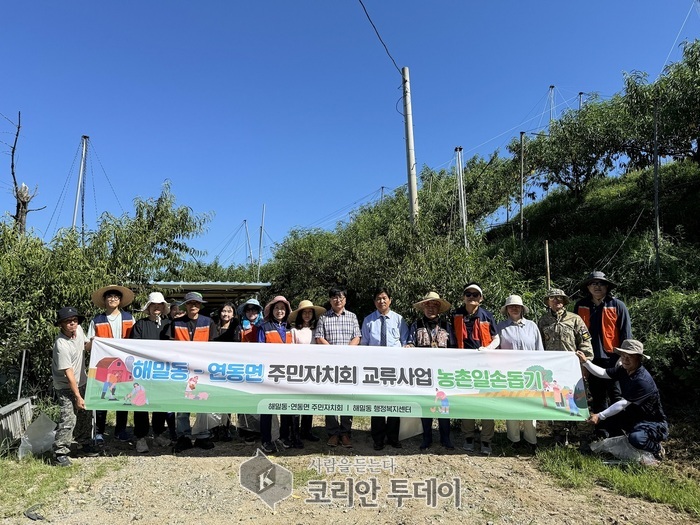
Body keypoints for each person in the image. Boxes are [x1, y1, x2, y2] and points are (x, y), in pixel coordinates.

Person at [576, 340, 667, 460]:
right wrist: (586, 362)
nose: (625, 359)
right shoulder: (623, 370)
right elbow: (603, 373)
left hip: (652, 423)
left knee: (636, 439)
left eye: (630, 357)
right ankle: (623, 442)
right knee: (606, 423)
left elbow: (622, 403)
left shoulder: (642, 380)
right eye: (623, 356)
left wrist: (600, 415)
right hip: (631, 417)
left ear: (639, 359)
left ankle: (656, 448)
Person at [538, 288, 593, 444]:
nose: (557, 301)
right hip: (554, 371)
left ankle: (583, 437)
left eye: (560, 299)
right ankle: (559, 435)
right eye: (553, 298)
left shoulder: (575, 319)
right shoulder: (543, 321)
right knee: (557, 401)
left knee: (580, 401)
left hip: (574, 369)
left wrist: (585, 364)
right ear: (548, 301)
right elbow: (539, 346)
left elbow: (586, 343)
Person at [574, 271, 632, 413]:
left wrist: (623, 357)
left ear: (607, 287)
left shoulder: (617, 305)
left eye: (601, 283)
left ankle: (618, 430)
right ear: (588, 287)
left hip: (613, 358)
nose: (597, 287)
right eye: (593, 283)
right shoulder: (581, 305)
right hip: (589, 358)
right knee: (597, 395)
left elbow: (626, 333)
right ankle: (602, 431)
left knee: (616, 394)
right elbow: (575, 333)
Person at [405, 291, 456, 451]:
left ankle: (445, 438)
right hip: (423, 372)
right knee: (426, 404)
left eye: (434, 305)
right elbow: (410, 343)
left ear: (439, 308)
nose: (431, 308)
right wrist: (409, 346)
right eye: (428, 305)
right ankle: (427, 438)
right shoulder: (416, 325)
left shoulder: (447, 326)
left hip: (443, 372)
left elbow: (454, 348)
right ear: (423, 307)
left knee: (444, 405)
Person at [453, 282, 500, 455]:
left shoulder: (487, 316)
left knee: (487, 402)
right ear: (463, 297)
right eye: (468, 294)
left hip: (485, 366)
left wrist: (488, 349)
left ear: (481, 298)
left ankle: (486, 439)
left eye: (475, 294)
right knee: (467, 401)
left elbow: (496, 338)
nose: (472, 297)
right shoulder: (456, 315)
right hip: (463, 366)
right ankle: (468, 436)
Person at [361, 287, 409, 451]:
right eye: (378, 299)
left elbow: (404, 342)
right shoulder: (368, 320)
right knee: (378, 404)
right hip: (375, 368)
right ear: (375, 302)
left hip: (395, 368)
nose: (381, 301)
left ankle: (393, 437)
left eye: (384, 298)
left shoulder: (399, 320)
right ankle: (378, 438)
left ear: (390, 300)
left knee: (395, 403)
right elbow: (364, 345)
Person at [87, 284, 135, 445]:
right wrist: (93, 342)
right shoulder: (97, 320)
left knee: (122, 397)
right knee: (103, 397)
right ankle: (99, 432)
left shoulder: (129, 318)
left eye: (116, 297)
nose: (113, 299)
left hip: (123, 365)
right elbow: (88, 344)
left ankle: (120, 430)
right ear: (105, 300)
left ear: (120, 301)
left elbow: (136, 342)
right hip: (104, 365)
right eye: (109, 297)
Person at [314, 286, 361, 448]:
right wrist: (335, 352)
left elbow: (357, 336)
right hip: (329, 365)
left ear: (345, 300)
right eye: (334, 297)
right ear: (330, 300)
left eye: (341, 297)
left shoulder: (353, 316)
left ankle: (346, 433)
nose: (338, 300)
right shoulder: (324, 318)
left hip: (348, 365)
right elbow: (319, 337)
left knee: (348, 398)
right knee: (330, 398)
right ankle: (333, 433)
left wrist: (345, 352)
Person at [171, 291, 217, 452]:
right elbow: (168, 346)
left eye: (196, 303)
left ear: (200, 305)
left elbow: (214, 346)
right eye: (190, 303)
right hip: (181, 370)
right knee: (182, 403)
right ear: (186, 305)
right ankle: (183, 436)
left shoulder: (208, 322)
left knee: (202, 403)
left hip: (201, 370)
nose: (193, 306)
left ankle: (202, 435)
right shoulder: (176, 323)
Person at [496, 294, 544, 451]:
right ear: (507, 310)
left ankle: (531, 441)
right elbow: (495, 350)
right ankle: (513, 440)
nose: (514, 308)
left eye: (517, 306)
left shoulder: (532, 326)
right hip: (509, 374)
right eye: (511, 306)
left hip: (530, 374)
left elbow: (539, 350)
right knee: (512, 407)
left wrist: (540, 372)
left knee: (530, 408)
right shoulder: (500, 327)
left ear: (522, 309)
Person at [52, 307, 98, 466]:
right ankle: (60, 452)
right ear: (61, 324)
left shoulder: (79, 329)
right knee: (68, 417)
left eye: (74, 320)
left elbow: (85, 347)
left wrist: (93, 343)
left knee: (85, 413)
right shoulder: (61, 345)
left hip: (82, 380)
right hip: (65, 386)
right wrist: (77, 396)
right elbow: (68, 373)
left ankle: (84, 443)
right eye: (67, 321)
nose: (72, 323)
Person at [130, 292, 175, 453]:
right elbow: (134, 348)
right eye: (153, 305)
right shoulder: (140, 325)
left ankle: (158, 433)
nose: (157, 307)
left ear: (163, 307)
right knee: (140, 402)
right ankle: (141, 437)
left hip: (162, 372)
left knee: (160, 403)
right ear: (148, 307)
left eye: (159, 305)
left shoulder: (169, 324)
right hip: (143, 371)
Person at [257, 296, 294, 453]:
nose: (280, 311)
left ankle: (283, 436)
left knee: (285, 406)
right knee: (267, 407)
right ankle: (266, 439)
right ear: (271, 310)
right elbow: (259, 350)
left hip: (287, 372)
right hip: (269, 373)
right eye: (277, 308)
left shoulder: (290, 327)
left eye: (283, 308)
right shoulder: (264, 326)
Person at [288, 299, 326, 442]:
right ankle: (295, 432)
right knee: (297, 402)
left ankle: (307, 430)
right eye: (305, 312)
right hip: (298, 370)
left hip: (313, 370)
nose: (307, 315)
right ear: (300, 314)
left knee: (309, 401)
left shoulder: (317, 331)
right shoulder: (294, 331)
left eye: (310, 312)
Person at [233, 298, 264, 443]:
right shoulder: (239, 327)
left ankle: (259, 429)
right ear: (245, 313)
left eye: (254, 310)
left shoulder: (264, 326)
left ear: (259, 312)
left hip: (259, 368)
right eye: (248, 310)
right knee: (243, 398)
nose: (251, 312)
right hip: (243, 367)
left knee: (257, 399)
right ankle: (245, 429)